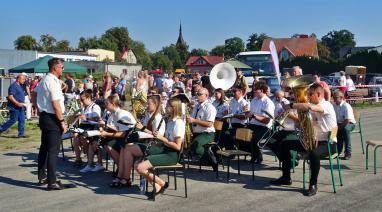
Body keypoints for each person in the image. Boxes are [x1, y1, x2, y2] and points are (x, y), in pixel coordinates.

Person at [270, 83, 337, 197]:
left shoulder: (326, 105)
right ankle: (286, 177)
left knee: (314, 154)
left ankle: (313, 185)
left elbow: (309, 107)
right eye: (308, 94)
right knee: (285, 144)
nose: (308, 96)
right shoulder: (313, 105)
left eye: (310, 94)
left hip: (329, 143)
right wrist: (291, 116)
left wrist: (290, 105)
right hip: (313, 140)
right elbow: (304, 122)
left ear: (319, 94)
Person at [32, 58, 71, 190]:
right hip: (52, 118)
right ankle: (52, 182)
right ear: (56, 67)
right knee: (53, 151)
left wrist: (37, 108)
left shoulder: (44, 80)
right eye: (62, 67)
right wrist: (62, 122)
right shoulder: (52, 82)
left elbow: (33, 93)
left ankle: (43, 176)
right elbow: (56, 104)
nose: (63, 70)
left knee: (44, 148)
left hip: (44, 116)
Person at [111, 95, 165, 187]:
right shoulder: (148, 115)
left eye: (149, 104)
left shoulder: (158, 117)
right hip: (145, 141)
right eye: (147, 103)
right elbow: (143, 129)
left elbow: (158, 136)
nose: (147, 105)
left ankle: (126, 178)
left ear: (155, 104)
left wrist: (143, 128)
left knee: (127, 148)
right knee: (124, 146)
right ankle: (121, 176)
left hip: (154, 145)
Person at [136, 98, 185, 199]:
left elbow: (177, 146)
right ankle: (158, 186)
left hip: (171, 155)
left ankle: (162, 184)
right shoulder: (170, 120)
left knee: (140, 167)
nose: (165, 108)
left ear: (174, 108)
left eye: (167, 106)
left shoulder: (178, 123)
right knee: (136, 163)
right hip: (164, 149)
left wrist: (162, 138)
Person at [71, 91, 104, 172]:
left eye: (82, 100)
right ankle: (78, 159)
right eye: (80, 100)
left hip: (92, 126)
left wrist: (86, 117)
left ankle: (89, 155)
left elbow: (97, 119)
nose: (81, 102)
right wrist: (76, 116)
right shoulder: (83, 107)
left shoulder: (95, 107)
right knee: (74, 135)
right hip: (84, 126)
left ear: (89, 98)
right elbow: (81, 119)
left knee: (83, 137)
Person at [99, 95, 136, 166]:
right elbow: (118, 129)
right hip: (126, 136)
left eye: (107, 104)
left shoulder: (120, 114)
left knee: (108, 144)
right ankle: (120, 167)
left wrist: (106, 133)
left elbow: (123, 134)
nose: (105, 105)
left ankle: (121, 167)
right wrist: (105, 127)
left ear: (113, 104)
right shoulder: (114, 113)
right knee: (104, 142)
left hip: (131, 139)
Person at [245, 81, 275, 164]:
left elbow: (266, 120)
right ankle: (252, 154)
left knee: (254, 139)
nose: (253, 92)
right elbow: (249, 115)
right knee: (241, 134)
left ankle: (258, 156)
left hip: (264, 127)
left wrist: (254, 116)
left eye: (255, 90)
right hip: (254, 124)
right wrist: (246, 112)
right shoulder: (254, 100)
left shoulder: (268, 103)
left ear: (261, 90)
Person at [188, 88, 217, 168]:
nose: (197, 96)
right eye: (197, 94)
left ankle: (212, 158)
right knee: (190, 147)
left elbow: (209, 124)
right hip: (197, 133)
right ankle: (207, 160)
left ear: (206, 95)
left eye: (200, 94)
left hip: (207, 133)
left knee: (196, 147)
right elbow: (192, 119)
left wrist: (194, 120)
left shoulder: (210, 107)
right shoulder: (196, 106)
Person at [219, 85, 248, 150]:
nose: (233, 93)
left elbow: (244, 117)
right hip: (232, 124)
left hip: (240, 125)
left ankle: (232, 150)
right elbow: (230, 112)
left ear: (240, 92)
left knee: (227, 134)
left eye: (234, 91)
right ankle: (224, 150)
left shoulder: (244, 102)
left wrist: (234, 115)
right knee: (221, 133)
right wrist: (227, 113)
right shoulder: (232, 101)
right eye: (232, 91)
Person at [0, 73, 27, 137]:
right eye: (23, 79)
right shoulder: (13, 86)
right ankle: (1, 129)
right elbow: (10, 97)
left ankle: (21, 134)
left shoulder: (20, 86)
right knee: (13, 120)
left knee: (22, 120)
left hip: (21, 106)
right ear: (18, 79)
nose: (24, 80)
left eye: (24, 79)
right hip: (14, 107)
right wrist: (17, 103)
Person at [332, 90, 356, 160]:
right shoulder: (333, 105)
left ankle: (348, 152)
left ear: (341, 97)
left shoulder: (346, 106)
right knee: (332, 132)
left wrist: (340, 127)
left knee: (345, 130)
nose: (334, 99)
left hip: (349, 123)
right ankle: (336, 151)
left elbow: (347, 120)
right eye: (333, 97)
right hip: (338, 123)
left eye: (336, 97)